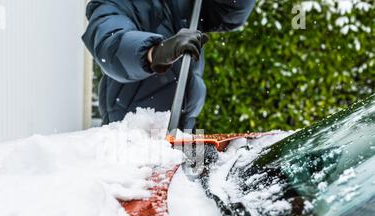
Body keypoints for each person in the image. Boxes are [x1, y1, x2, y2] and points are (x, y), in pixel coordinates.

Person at [83, 0, 256, 130]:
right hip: (132, 133)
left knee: (196, 176)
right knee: (138, 178)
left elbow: (231, 12)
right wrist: (155, 52)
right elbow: (110, 45)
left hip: (186, 129)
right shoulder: (113, 3)